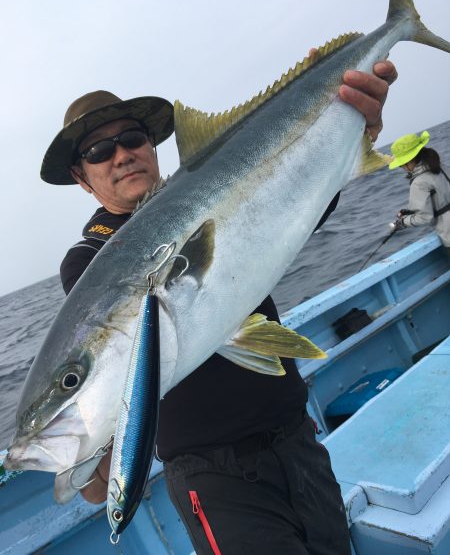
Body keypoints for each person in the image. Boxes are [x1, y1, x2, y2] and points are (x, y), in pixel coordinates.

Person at [41, 60, 397, 555]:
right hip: (214, 474)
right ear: (83, 177)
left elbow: (296, 212)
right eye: (101, 150)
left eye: (133, 138)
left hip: (297, 437)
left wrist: (354, 133)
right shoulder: (90, 266)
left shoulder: (215, 188)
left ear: (152, 146)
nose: (122, 154)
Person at [389, 131, 450, 253]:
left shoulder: (418, 182)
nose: (402, 168)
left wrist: (402, 222)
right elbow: (441, 197)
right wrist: (411, 211)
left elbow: (424, 218)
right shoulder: (440, 166)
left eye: (401, 165)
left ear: (408, 162)